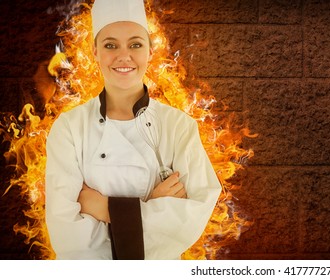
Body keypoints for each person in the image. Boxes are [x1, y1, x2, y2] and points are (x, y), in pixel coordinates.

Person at [45, 0, 222, 260]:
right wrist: (150, 205)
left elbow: (192, 214)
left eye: (136, 44)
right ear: (95, 51)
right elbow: (66, 234)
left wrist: (106, 209)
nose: (123, 56)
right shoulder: (69, 128)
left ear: (150, 51)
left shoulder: (178, 126)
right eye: (110, 45)